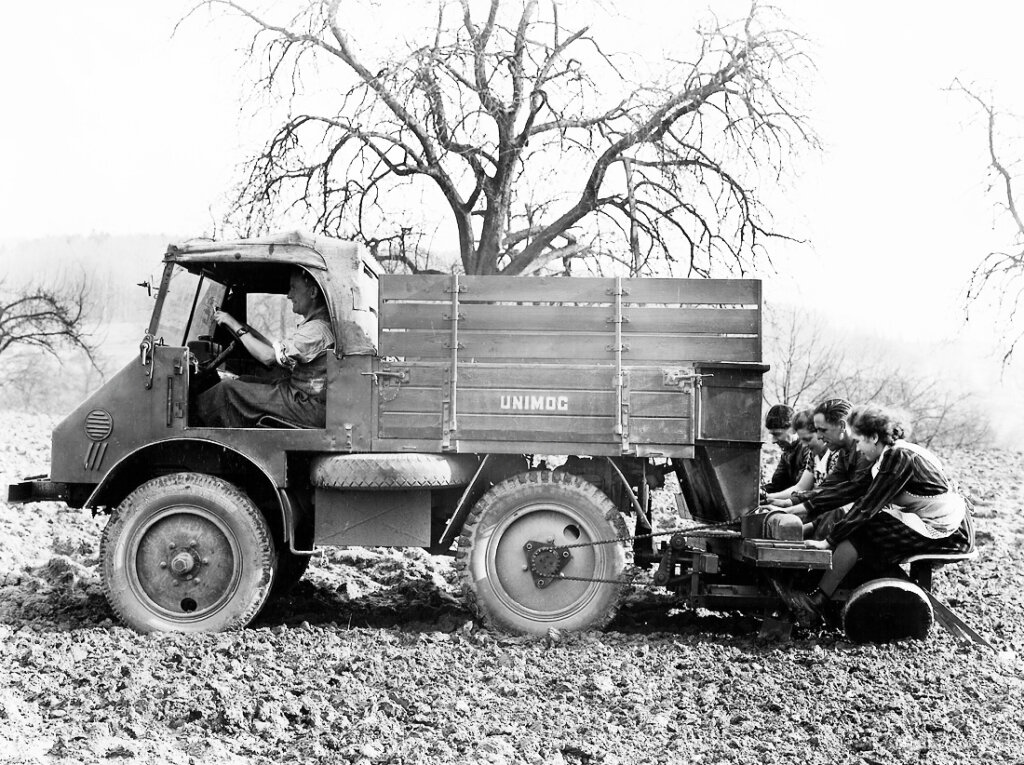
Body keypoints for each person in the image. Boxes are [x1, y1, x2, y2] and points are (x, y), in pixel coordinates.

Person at [793, 405, 974, 624]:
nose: (857, 448)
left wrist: (827, 542)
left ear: (874, 437)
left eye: (859, 441)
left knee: (862, 528)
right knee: (857, 525)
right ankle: (829, 586)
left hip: (949, 531)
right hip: (926, 520)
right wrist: (801, 505)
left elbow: (868, 505)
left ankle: (819, 599)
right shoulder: (884, 458)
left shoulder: (898, 456)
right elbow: (851, 490)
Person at [195, 268, 335, 428]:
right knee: (244, 380)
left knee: (227, 389)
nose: (289, 295)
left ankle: (198, 431)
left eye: (293, 288)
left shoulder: (317, 330)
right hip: (303, 399)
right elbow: (276, 350)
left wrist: (234, 325)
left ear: (313, 292)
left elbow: (268, 357)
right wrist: (243, 327)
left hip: (305, 404)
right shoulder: (315, 326)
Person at [769, 399, 872, 531]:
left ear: (842, 425)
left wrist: (789, 510)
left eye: (823, 430)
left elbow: (849, 492)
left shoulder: (864, 452)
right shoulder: (844, 452)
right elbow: (828, 488)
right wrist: (788, 504)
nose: (819, 436)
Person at [765, 408, 833, 501]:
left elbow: (817, 492)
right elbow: (797, 487)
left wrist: (786, 503)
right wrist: (765, 496)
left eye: (777, 434)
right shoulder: (805, 454)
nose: (773, 441)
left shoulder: (826, 453)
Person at [762, 404, 807, 495]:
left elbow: (803, 489)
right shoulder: (787, 452)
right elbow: (777, 485)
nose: (773, 441)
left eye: (777, 434)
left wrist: (768, 497)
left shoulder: (808, 450)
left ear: (793, 429)